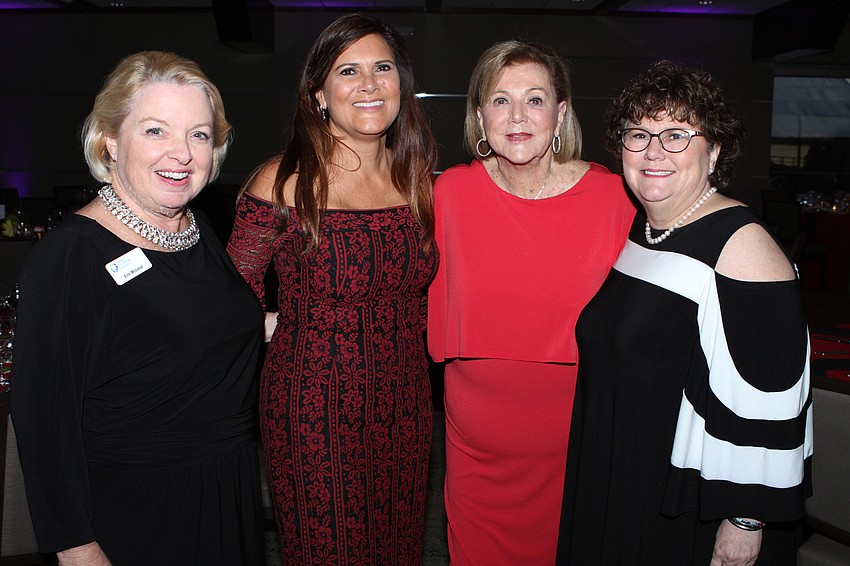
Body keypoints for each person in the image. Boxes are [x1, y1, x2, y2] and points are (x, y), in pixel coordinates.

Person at [11, 51, 265, 565]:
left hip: (226, 489)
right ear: (110, 140)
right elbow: (43, 420)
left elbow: (196, 329)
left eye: (198, 134)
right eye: (155, 131)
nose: (182, 153)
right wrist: (75, 547)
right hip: (137, 510)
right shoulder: (70, 257)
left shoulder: (197, 232)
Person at [557, 60, 812, 566]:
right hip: (631, 479)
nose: (654, 152)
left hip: (694, 510)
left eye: (676, 135)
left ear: (713, 150)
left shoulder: (742, 248)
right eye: (638, 135)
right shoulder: (646, 230)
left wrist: (744, 522)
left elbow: (775, 402)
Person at [226, 13, 438, 565]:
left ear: (400, 85)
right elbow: (230, 295)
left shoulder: (420, 180)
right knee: (331, 553)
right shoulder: (283, 180)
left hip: (407, 401)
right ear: (319, 93)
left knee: (398, 549)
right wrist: (271, 325)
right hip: (312, 405)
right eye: (349, 70)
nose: (369, 84)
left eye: (382, 68)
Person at [427, 40, 635, 565]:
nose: (517, 117)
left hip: (580, 445)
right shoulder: (448, 194)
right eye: (500, 100)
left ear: (560, 114)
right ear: (479, 115)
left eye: (535, 99)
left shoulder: (613, 199)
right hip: (476, 453)